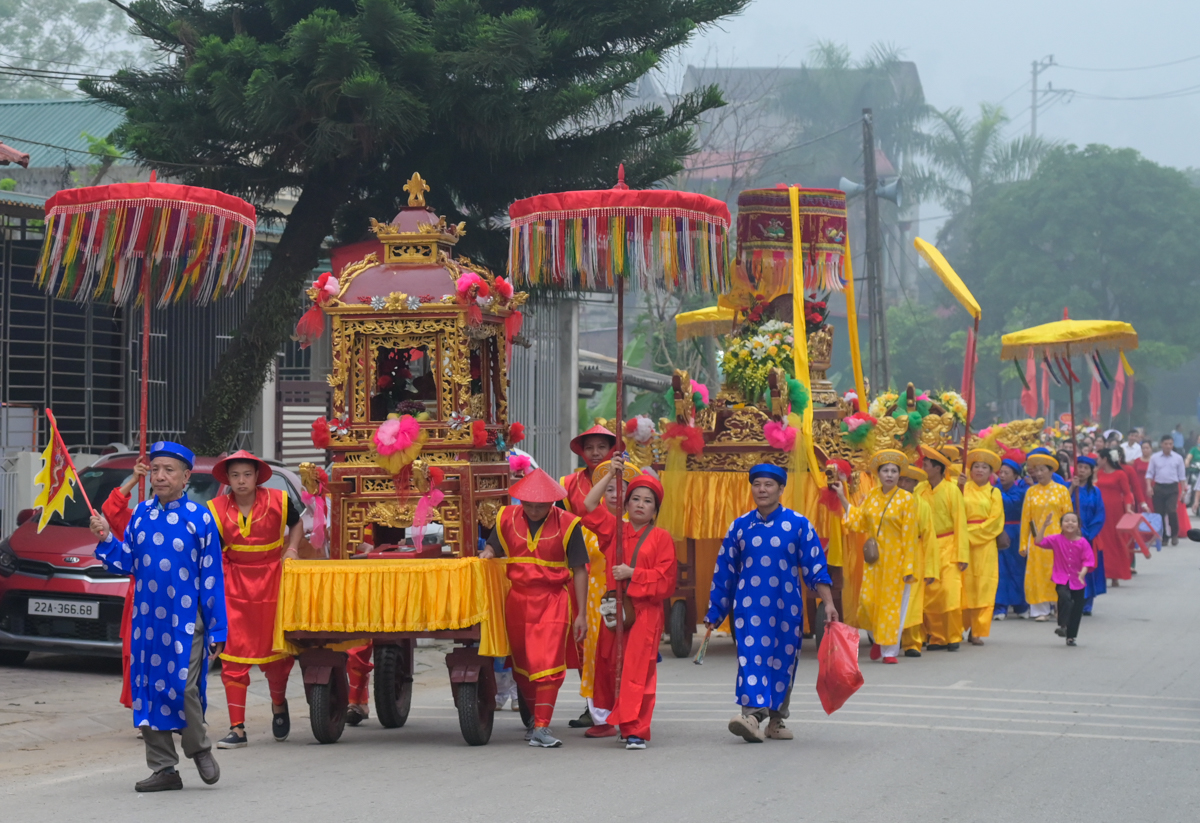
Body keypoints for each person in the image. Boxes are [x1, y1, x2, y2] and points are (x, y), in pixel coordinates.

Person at [88, 442, 226, 792]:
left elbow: (211, 576)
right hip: (147, 622)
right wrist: (106, 538)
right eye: (156, 469)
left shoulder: (201, 518)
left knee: (184, 688)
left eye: (169, 470)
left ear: (185, 477)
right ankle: (164, 768)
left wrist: (216, 627)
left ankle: (199, 748)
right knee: (147, 689)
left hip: (186, 621)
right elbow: (129, 562)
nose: (161, 476)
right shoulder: (141, 516)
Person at [705, 464, 836, 742]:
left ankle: (775, 720)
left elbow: (816, 567)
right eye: (757, 484)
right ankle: (751, 716)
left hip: (787, 609)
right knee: (752, 658)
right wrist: (714, 612)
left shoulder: (798, 524)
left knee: (784, 662)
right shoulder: (739, 527)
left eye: (768, 485)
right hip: (748, 609)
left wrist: (829, 604)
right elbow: (724, 571)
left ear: (781, 489)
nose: (762, 490)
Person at [479, 469, 588, 748]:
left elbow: (579, 570)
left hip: (552, 600)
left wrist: (582, 614)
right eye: (529, 504)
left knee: (548, 664)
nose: (535, 509)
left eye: (542, 504)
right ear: (521, 501)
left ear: (553, 502)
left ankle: (542, 726)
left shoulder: (569, 524)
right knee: (523, 666)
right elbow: (493, 547)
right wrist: (487, 554)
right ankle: (533, 721)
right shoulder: (506, 517)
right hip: (517, 600)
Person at [206, 450, 303, 748]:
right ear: (228, 480)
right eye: (235, 475)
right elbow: (211, 546)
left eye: (247, 474)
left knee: (274, 656)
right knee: (232, 657)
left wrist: (292, 549)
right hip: (234, 585)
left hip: (272, 581)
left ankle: (278, 705)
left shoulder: (278, 500)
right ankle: (237, 728)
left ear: (257, 476)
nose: (241, 480)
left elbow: (296, 525)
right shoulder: (215, 508)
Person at [582, 462, 677, 749]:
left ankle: (637, 729)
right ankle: (622, 720)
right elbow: (588, 504)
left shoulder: (661, 538)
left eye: (648, 501)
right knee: (613, 666)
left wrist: (632, 574)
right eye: (635, 498)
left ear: (655, 510)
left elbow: (666, 578)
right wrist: (611, 474)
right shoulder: (614, 530)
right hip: (615, 610)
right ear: (625, 502)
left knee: (638, 669)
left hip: (645, 612)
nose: (640, 504)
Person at [574, 457, 641, 736]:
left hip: (626, 597)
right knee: (594, 656)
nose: (615, 494)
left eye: (621, 488)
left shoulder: (635, 523)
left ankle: (626, 713)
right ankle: (600, 713)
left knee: (624, 657)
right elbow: (586, 505)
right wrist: (610, 473)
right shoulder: (597, 523)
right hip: (595, 600)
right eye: (610, 489)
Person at [558, 424, 617, 728]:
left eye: (602, 447)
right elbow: (558, 524)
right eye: (590, 447)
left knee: (613, 640)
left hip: (614, 567)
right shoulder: (567, 484)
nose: (595, 453)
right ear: (582, 451)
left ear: (612, 450)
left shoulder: (625, 479)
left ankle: (616, 702)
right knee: (585, 641)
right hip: (580, 570)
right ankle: (591, 703)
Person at [835, 449, 918, 664]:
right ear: (878, 474)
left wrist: (909, 568)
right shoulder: (871, 495)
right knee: (868, 602)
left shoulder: (907, 499)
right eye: (885, 471)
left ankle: (889, 651)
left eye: (893, 471)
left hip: (896, 561)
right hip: (874, 559)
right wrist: (842, 497)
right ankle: (877, 639)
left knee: (892, 606)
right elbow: (858, 521)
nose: (889, 475)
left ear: (900, 475)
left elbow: (910, 536)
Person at [102, 462, 149, 713]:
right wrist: (133, 479)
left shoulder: (192, 517)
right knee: (136, 654)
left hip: (173, 599)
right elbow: (110, 511)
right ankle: (142, 711)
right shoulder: (137, 517)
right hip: (138, 597)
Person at [915, 446, 969, 651]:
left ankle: (954, 635)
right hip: (926, 546)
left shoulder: (951, 490)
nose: (923, 466)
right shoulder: (920, 489)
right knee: (930, 593)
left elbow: (960, 523)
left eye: (927, 463)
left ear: (938, 468)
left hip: (949, 544)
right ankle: (937, 637)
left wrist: (962, 554)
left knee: (950, 591)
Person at [1019, 448, 1074, 621]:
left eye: (1043, 470)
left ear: (1051, 471)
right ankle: (1040, 610)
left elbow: (1069, 516)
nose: (1039, 473)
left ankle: (1060, 607)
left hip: (1058, 539)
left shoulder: (1062, 491)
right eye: (1037, 470)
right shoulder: (1031, 492)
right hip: (1038, 540)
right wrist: (1023, 544)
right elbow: (1026, 519)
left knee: (1058, 573)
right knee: (1037, 574)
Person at [960, 446, 1005, 645]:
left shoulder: (994, 493)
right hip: (962, 543)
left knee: (983, 585)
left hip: (985, 544)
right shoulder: (960, 488)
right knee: (964, 585)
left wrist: (969, 534)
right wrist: (957, 489)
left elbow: (995, 521)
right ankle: (959, 626)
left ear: (990, 472)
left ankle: (978, 630)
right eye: (976, 466)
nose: (979, 470)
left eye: (984, 467)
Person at [1034, 512, 1095, 647]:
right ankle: (1062, 625)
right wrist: (1044, 526)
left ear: (1078, 525)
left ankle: (1071, 636)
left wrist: (1082, 574)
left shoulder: (1083, 543)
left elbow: (1088, 561)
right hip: (1061, 578)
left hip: (1078, 581)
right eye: (1066, 521)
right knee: (1064, 597)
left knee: (1077, 608)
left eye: (1073, 521)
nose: (1070, 523)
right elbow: (1038, 542)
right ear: (1061, 525)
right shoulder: (1056, 539)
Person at [897, 465, 937, 657]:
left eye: (909, 481)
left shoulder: (922, 505)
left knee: (913, 600)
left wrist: (930, 569)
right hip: (891, 554)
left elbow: (929, 537)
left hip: (915, 555)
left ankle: (912, 642)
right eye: (902, 480)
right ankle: (888, 639)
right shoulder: (887, 500)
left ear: (915, 484)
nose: (904, 484)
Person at [993, 455, 1029, 620]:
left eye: (1007, 473)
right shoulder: (993, 489)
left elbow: (1007, 502)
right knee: (1000, 569)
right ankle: (1000, 606)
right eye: (1001, 472)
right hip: (997, 529)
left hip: (1015, 530)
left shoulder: (1020, 492)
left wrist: (994, 491)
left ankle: (1020, 604)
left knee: (1017, 568)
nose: (1002, 476)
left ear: (1015, 476)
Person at [1092, 449, 1134, 587]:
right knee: (1102, 540)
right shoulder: (1098, 473)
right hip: (1101, 509)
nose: (1097, 460)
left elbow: (1127, 493)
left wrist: (1128, 507)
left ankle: (1116, 573)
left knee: (1115, 540)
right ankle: (1105, 572)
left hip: (1116, 511)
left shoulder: (1120, 474)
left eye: (1099, 458)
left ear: (1105, 459)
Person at [1071, 456, 1107, 613]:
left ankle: (1087, 603)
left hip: (1088, 536)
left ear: (1092, 471)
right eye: (1080, 467)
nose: (1082, 470)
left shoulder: (1095, 492)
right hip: (1070, 535)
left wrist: (1086, 533)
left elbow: (1100, 515)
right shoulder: (1069, 487)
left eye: (1086, 468)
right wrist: (1071, 487)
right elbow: (1061, 505)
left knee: (1088, 568)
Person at [1146, 434, 1187, 545]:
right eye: (1166, 444)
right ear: (1161, 444)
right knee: (1159, 513)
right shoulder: (1155, 457)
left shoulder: (1178, 458)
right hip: (1159, 487)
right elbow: (1149, 474)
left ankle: (1174, 534)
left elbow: (1182, 476)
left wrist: (1183, 491)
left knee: (1171, 511)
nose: (1168, 446)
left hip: (1172, 488)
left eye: (1170, 444)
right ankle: (1164, 536)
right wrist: (1149, 487)